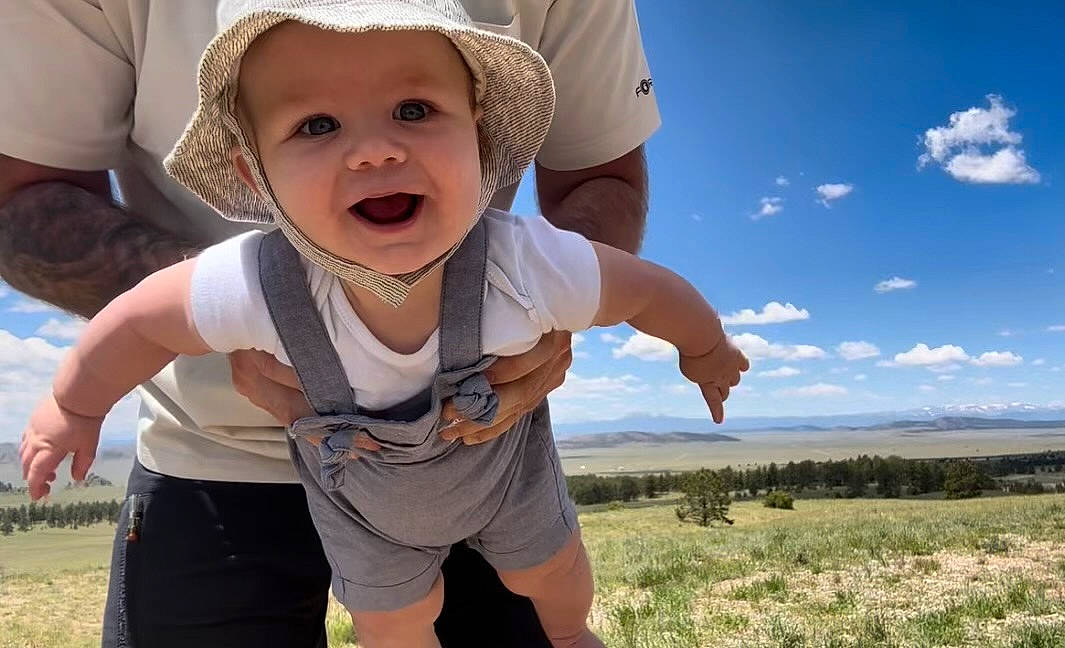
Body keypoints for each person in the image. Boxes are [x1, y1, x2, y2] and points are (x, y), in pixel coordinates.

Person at [20, 1, 749, 647]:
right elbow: (139, 322)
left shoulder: (527, 264)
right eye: (317, 125)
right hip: (250, 468)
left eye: (413, 110)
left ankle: (568, 631)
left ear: (483, 134)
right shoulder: (254, 283)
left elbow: (643, 289)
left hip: (496, 469)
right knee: (393, 620)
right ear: (255, 179)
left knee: (553, 568)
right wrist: (71, 404)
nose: (373, 149)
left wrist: (706, 348)